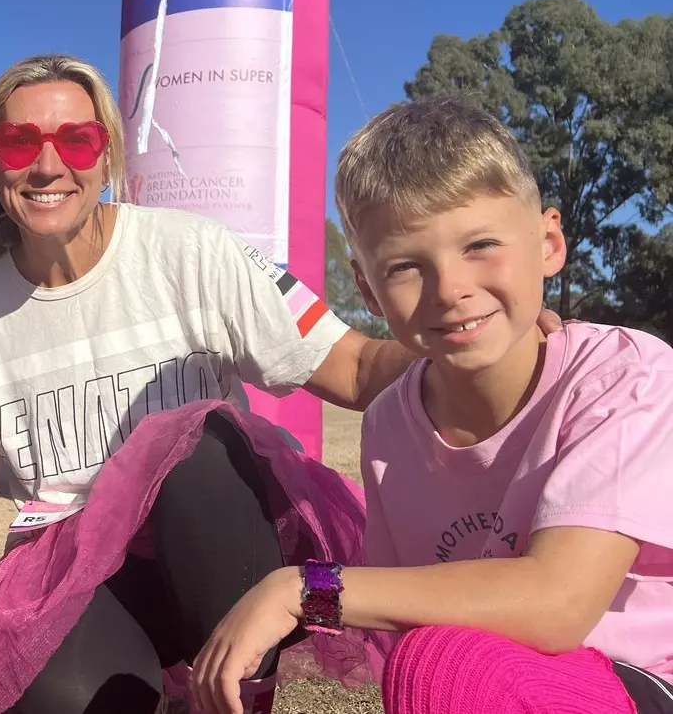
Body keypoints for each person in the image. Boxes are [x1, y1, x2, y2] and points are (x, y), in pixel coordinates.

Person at [0, 54, 568, 714]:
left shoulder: (194, 250)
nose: (48, 164)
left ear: (108, 154)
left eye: (76, 140)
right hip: (75, 569)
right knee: (66, 702)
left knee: (193, 447)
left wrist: (472, 346)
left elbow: (350, 364)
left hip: (214, 541)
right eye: (19, 141)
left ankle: (238, 693)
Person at [193, 97, 673, 714]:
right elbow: (404, 626)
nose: (451, 290)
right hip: (490, 680)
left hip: (638, 679)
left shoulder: (622, 374)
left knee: (450, 665)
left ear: (549, 242)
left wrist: (302, 589)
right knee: (434, 661)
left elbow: (558, 603)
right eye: (405, 266)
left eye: (480, 245)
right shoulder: (391, 420)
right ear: (366, 289)